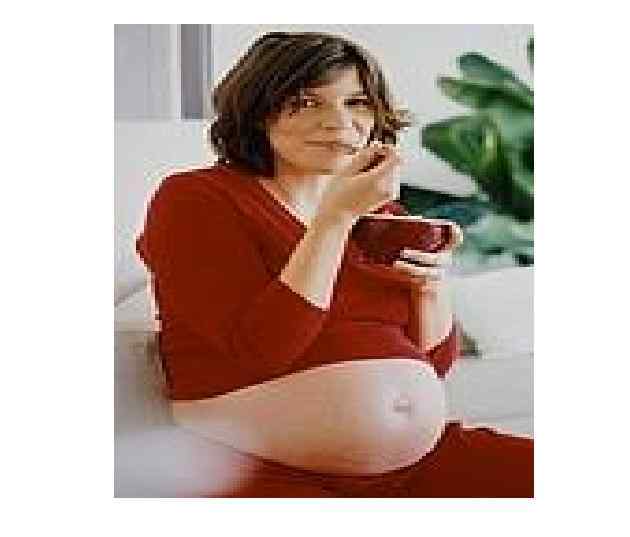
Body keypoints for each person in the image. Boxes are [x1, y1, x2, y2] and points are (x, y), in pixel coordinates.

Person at [136, 31, 533, 497]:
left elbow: (432, 363)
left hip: (419, 463)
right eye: (306, 102)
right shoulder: (195, 199)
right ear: (257, 110)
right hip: (264, 471)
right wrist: (334, 221)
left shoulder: (384, 218)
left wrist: (430, 287)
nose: (338, 122)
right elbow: (263, 350)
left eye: (357, 103)